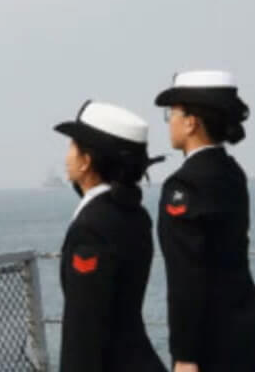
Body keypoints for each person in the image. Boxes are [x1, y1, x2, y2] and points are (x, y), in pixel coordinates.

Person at [153, 71, 255, 372]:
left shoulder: (184, 186)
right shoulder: (232, 172)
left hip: (212, 345)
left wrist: (184, 355)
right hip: (249, 332)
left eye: (173, 113)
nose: (169, 121)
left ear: (191, 122)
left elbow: (187, 275)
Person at [52, 99, 169, 372]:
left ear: (86, 162)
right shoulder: (135, 215)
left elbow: (83, 330)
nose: (67, 155)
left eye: (72, 146)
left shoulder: (90, 229)